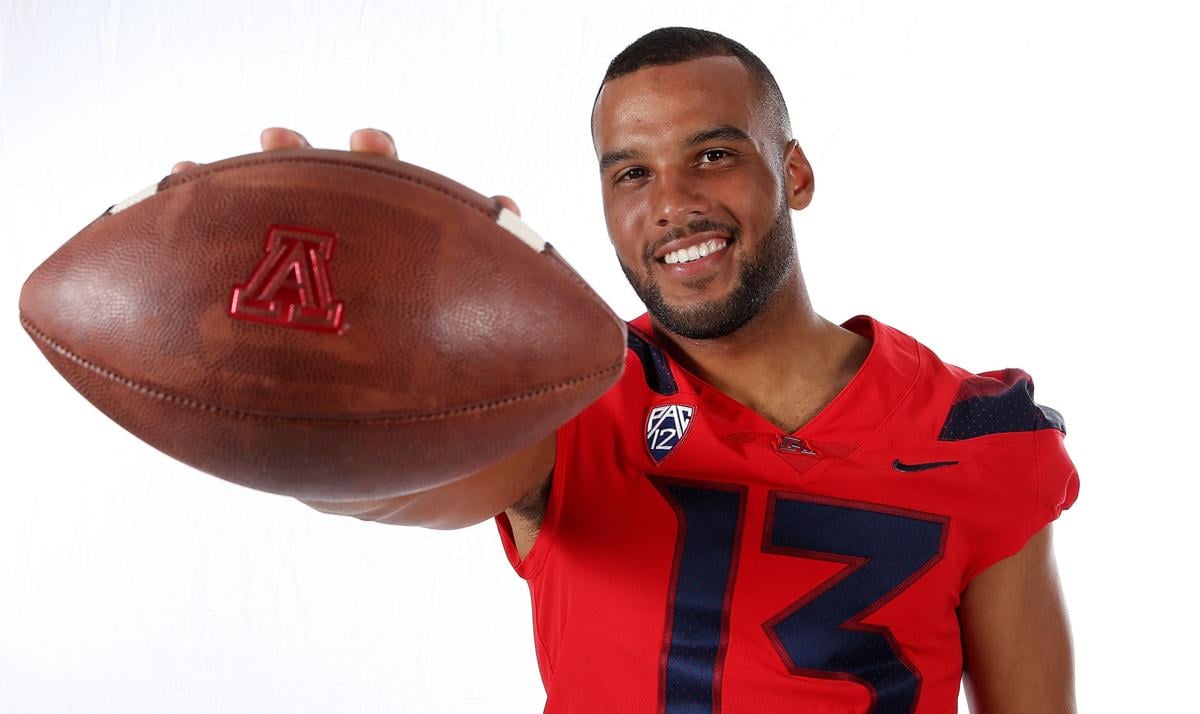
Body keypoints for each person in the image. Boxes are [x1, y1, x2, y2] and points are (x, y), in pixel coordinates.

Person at [175, 26, 1079, 714]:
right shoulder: (567, 393)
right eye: (631, 174)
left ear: (793, 172)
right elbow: (388, 479)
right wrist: (305, 362)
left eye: (714, 156)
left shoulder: (977, 434)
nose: (674, 205)